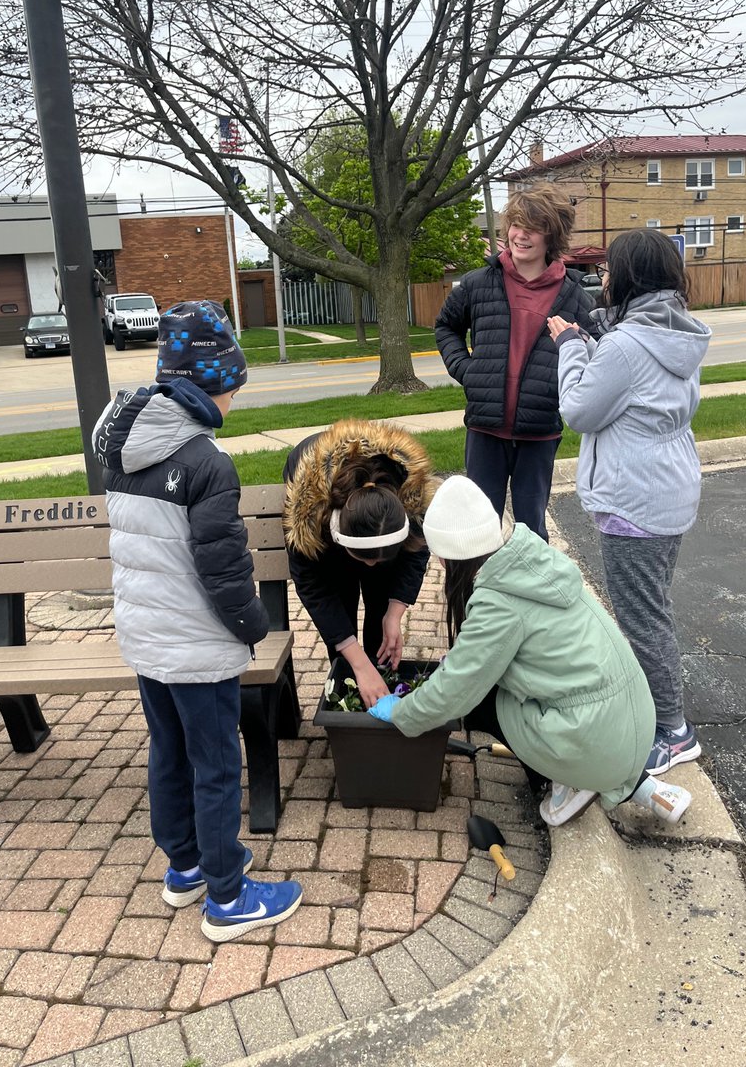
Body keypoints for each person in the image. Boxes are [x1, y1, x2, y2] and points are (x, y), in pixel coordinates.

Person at [93, 299, 302, 942]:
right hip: (196, 647)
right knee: (214, 762)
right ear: (212, 384)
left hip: (148, 639)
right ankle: (228, 897)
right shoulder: (206, 463)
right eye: (235, 385)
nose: (237, 398)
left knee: (169, 752)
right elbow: (223, 568)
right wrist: (250, 628)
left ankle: (184, 867)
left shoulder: (122, 446)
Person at [368, 475, 693, 827]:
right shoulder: (530, 562)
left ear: (451, 555)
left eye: (440, 557)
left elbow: (455, 692)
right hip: (631, 727)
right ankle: (637, 785)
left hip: (590, 739)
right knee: (490, 681)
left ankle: (566, 782)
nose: (441, 565)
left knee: (484, 701)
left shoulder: (498, 602)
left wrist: (403, 713)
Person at [546, 228, 711, 776]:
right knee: (652, 607)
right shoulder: (676, 331)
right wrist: (594, 348)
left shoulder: (625, 343)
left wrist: (570, 347)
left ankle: (672, 731)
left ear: (631, 276)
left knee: (644, 618)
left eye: (611, 269)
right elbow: (632, 385)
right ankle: (659, 714)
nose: (604, 278)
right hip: (668, 489)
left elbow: (580, 410)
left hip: (634, 500)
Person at [434, 182, 593, 539]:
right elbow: (446, 326)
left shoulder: (576, 297)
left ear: (552, 236)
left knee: (531, 531)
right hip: (484, 431)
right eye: (516, 225)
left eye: (534, 228)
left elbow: (593, 356)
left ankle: (529, 594)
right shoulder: (478, 284)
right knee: (478, 531)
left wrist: (561, 387)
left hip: (539, 433)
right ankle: (477, 594)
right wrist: (468, 371)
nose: (521, 235)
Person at [283, 419, 438, 709]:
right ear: (338, 534)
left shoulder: (412, 493)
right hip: (329, 540)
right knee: (342, 618)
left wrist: (394, 613)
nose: (370, 566)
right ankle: (351, 685)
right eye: (365, 558)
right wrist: (356, 660)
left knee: (380, 611)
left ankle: (381, 687)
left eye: (380, 558)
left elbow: (416, 552)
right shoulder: (308, 509)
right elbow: (312, 584)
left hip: (371, 528)